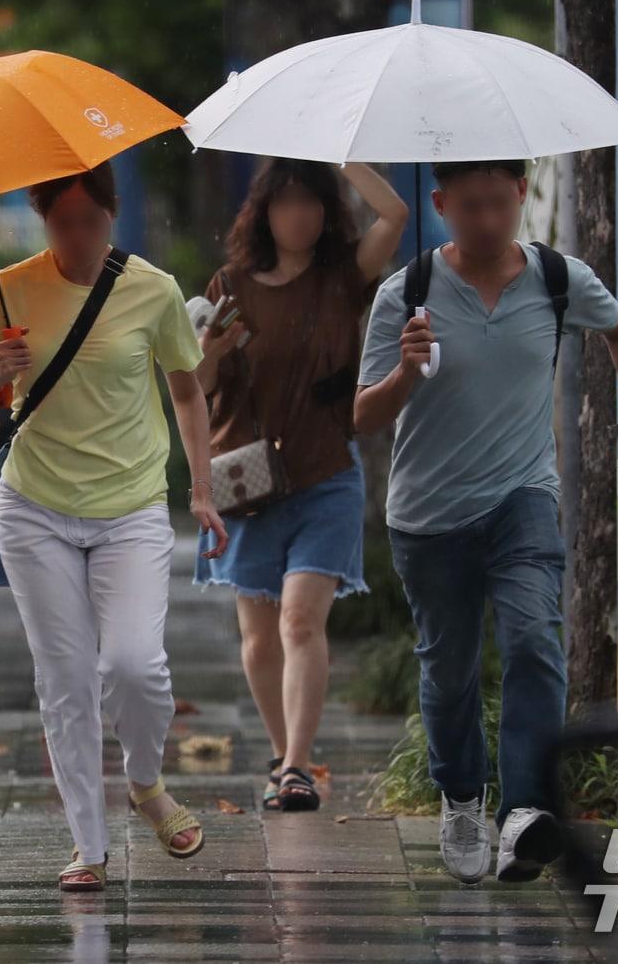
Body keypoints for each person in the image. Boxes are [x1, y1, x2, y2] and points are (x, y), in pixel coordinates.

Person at [354, 159, 618, 885]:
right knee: (450, 670)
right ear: (441, 204)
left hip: (522, 497)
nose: (488, 220)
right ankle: (462, 797)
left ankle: (527, 807)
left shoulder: (558, 279)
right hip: (429, 515)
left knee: (535, 639)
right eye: (470, 206)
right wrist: (405, 370)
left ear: (522, 194)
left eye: (500, 203)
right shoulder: (404, 294)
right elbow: (364, 415)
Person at [0, 161, 228, 893]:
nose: (76, 237)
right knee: (66, 679)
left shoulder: (153, 290)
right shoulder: (6, 291)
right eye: (61, 223)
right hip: (34, 509)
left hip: (132, 508)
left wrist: (200, 489)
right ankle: (88, 847)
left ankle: (145, 781)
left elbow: (187, 392)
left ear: (112, 214)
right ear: (42, 220)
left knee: (134, 665)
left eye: (90, 222)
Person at [194, 158, 407, 811]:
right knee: (259, 639)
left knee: (299, 619)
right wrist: (213, 351)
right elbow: (196, 388)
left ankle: (295, 766)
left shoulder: (343, 276)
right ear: (263, 212)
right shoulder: (230, 285)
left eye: (312, 201)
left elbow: (394, 215)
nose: (299, 215)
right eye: (285, 202)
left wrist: (344, 154)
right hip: (247, 480)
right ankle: (284, 755)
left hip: (325, 474)